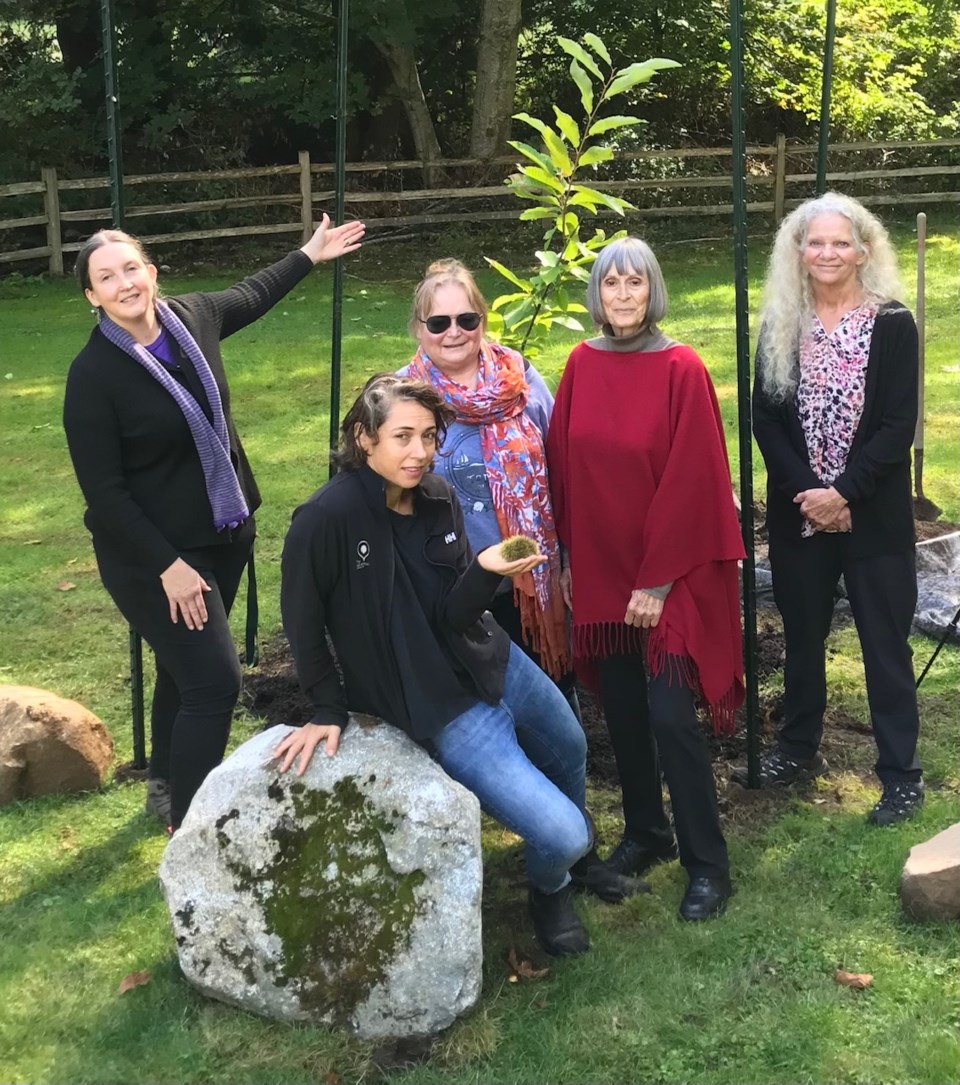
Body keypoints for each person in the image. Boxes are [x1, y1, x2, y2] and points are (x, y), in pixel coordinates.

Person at [274, 374, 645, 958]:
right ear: (363, 439)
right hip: (439, 704)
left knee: (570, 747)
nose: (418, 452)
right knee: (567, 830)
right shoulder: (327, 518)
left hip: (492, 658)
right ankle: (551, 884)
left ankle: (561, 874)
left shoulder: (439, 497)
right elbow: (301, 619)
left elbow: (452, 611)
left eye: (427, 436)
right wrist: (327, 706)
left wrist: (486, 571)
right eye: (401, 437)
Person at [62, 215, 365, 831]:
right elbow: (105, 496)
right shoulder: (92, 377)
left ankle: (167, 786)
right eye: (106, 278)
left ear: (150, 271)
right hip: (152, 560)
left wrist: (310, 252)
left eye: (130, 268)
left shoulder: (192, 318)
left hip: (223, 538)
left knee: (184, 669)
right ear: (92, 296)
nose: (124, 283)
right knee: (213, 682)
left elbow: (252, 293)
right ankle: (196, 828)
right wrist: (168, 568)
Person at [546, 236, 746, 921]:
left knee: (670, 716)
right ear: (597, 295)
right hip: (602, 572)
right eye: (611, 284)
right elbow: (563, 471)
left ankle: (707, 862)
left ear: (652, 290)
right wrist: (570, 558)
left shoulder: (681, 369)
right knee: (625, 715)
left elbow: (695, 483)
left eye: (635, 284)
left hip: (670, 573)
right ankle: (647, 831)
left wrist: (657, 583)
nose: (623, 296)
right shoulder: (579, 363)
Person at [741, 192, 924, 825]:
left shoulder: (893, 323)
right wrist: (809, 497)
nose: (827, 253)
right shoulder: (782, 324)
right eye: (815, 242)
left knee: (885, 646)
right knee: (801, 638)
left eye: (840, 242)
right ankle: (797, 747)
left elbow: (898, 424)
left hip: (874, 518)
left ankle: (901, 773)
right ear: (798, 252)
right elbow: (765, 419)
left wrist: (843, 493)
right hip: (801, 518)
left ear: (863, 250)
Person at [396, 259, 577, 720]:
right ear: (419, 330)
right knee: (487, 711)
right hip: (454, 590)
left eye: (466, 319)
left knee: (553, 707)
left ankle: (559, 783)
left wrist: (570, 562)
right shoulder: (402, 397)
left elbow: (564, 467)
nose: (453, 332)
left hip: (532, 581)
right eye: (438, 322)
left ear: (482, 321)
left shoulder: (521, 378)